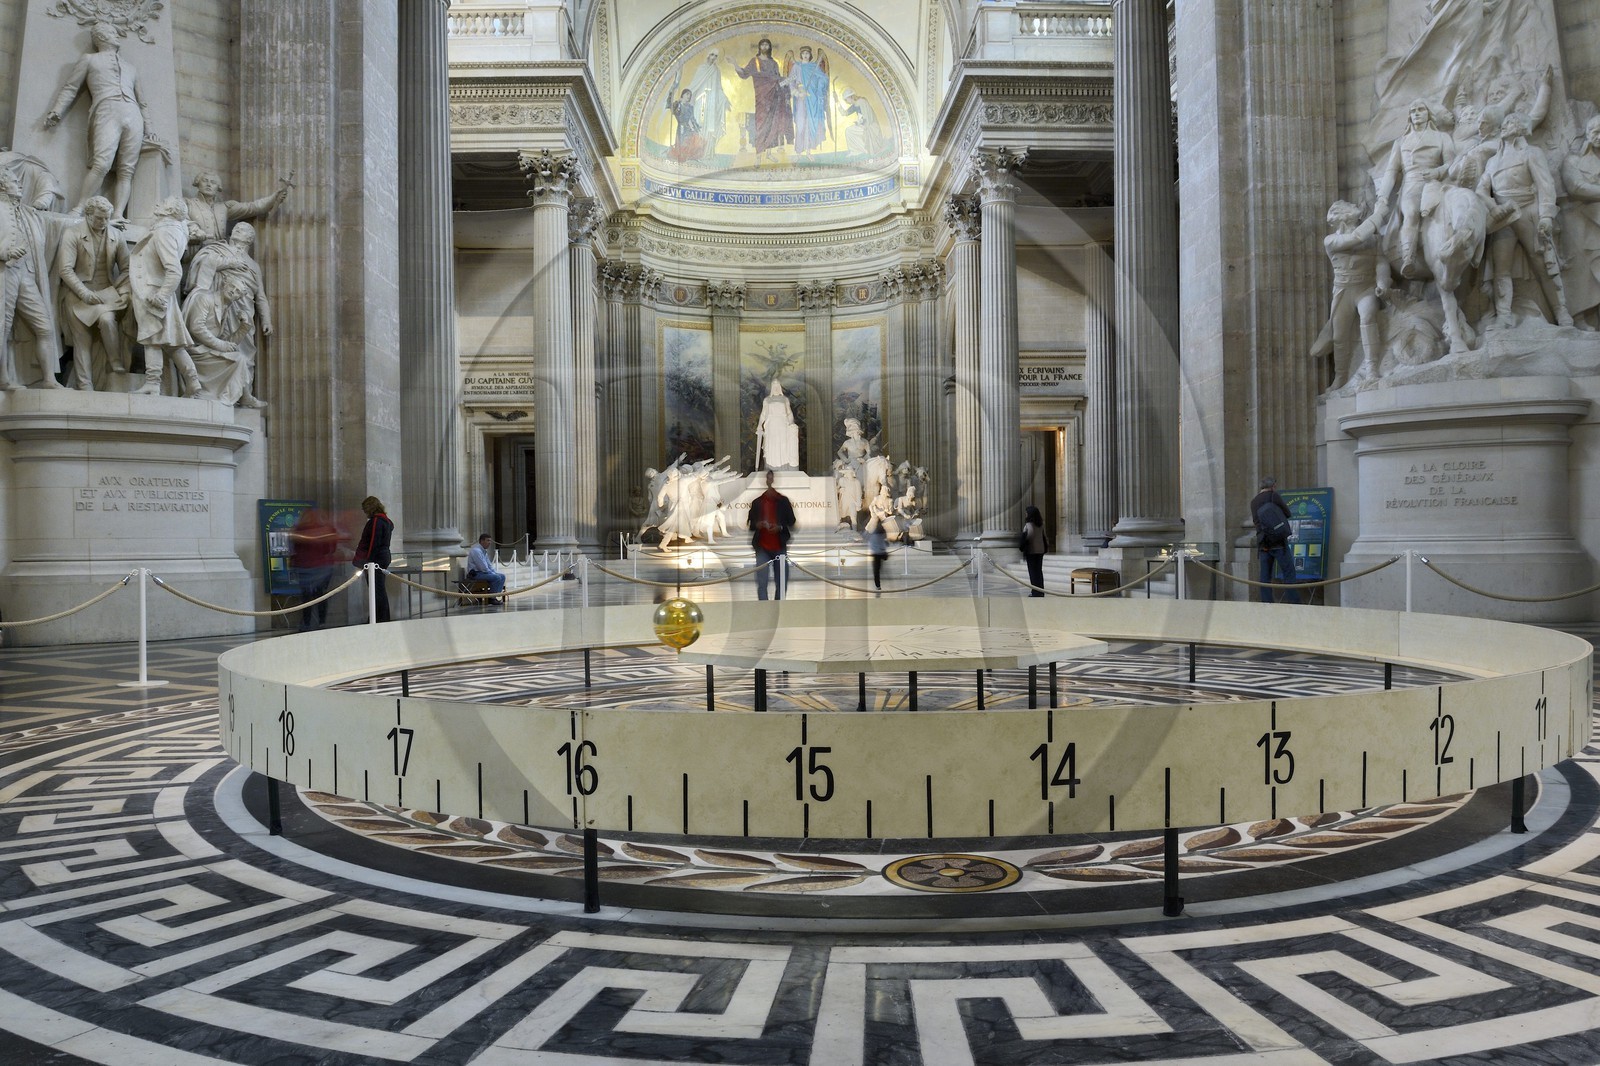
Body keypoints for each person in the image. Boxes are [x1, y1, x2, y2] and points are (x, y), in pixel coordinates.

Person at [43, 22, 163, 218]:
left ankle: (117, 215)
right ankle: (80, 207)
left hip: (133, 114)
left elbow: (143, 103)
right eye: (113, 33)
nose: (117, 36)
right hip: (107, 108)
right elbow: (71, 87)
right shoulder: (90, 60)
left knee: (127, 170)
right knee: (101, 163)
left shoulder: (130, 68)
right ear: (101, 37)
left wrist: (149, 128)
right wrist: (57, 110)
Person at [1479, 111, 1572, 328]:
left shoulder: (1531, 153)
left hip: (1528, 212)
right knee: (1501, 268)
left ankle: (1561, 312)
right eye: (1504, 123)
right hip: (1504, 218)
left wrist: (1546, 215)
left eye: (1511, 122)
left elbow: (1545, 184)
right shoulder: (1492, 162)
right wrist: (1493, 206)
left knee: (1543, 265)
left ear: (1521, 128)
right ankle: (1503, 315)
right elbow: (1481, 189)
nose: (1505, 126)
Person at [0, 167, 72, 391]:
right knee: (3, 326)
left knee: (44, 327)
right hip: (6, 273)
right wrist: (5, 252)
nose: (20, 185)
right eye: (14, 181)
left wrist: (98, 223)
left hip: (27, 275)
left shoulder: (28, 213)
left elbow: (58, 222)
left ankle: (48, 379)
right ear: (2, 185)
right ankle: (3, 379)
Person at [128, 197, 205, 398]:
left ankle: (153, 382)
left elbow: (174, 270)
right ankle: (193, 381)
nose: (157, 205)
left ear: (169, 210)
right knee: (172, 343)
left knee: (152, 338)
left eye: (162, 204)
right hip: (157, 291)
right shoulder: (173, 229)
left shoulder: (165, 232)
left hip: (154, 292)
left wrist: (160, 296)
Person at [1370, 99, 1455, 278]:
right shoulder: (1401, 142)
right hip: (1411, 184)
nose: (1416, 113)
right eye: (1413, 110)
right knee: (1411, 213)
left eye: (1420, 110)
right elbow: (1392, 171)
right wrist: (1383, 197)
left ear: (1428, 114)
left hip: (1434, 182)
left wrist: (1437, 171)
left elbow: (1451, 163)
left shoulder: (1442, 137)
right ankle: (1408, 258)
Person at [55, 194, 129, 390]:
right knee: (82, 340)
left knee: (106, 320)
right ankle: (85, 385)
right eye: (98, 218)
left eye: (106, 218)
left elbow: (128, 268)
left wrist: (121, 290)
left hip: (106, 293)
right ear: (88, 215)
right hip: (78, 293)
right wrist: (84, 293)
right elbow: (65, 269)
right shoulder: (73, 233)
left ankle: (115, 360)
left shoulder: (116, 235)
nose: (103, 222)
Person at [1311, 201, 1387, 389]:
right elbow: (1356, 237)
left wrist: (1382, 283)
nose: (1354, 208)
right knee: (1339, 335)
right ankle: (1341, 376)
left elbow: (1381, 262)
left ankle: (1371, 368)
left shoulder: (1374, 240)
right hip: (1343, 291)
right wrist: (1379, 214)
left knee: (1368, 316)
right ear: (1342, 217)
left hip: (1366, 288)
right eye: (1348, 206)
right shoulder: (1330, 240)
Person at [731, 38, 793, 158]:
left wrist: (791, 80)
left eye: (767, 45)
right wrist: (734, 63)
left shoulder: (774, 63)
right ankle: (759, 154)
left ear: (769, 48)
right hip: (761, 97)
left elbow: (778, 79)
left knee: (772, 123)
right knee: (761, 124)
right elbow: (744, 73)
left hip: (774, 96)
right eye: (762, 45)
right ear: (759, 47)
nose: (764, 47)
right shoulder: (755, 61)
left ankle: (769, 153)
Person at [1250, 477, 1301, 605]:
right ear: (1273, 486)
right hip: (1278, 542)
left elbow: (1256, 521)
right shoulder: (1274, 496)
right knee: (1289, 572)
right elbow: (1287, 513)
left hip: (1263, 543)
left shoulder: (1254, 501)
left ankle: (1267, 604)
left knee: (1265, 576)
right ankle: (1294, 603)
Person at [748, 469, 796, 600]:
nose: (769, 480)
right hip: (762, 546)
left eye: (771, 478)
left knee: (781, 582)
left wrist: (779, 527)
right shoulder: (757, 502)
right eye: (767, 478)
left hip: (779, 546)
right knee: (762, 583)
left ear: (773, 479)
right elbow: (751, 526)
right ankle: (764, 609)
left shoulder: (783, 501)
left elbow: (791, 521)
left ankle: (778, 607)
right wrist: (758, 525)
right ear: (765, 480)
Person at [288, 507, 339, 631]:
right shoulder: (326, 529)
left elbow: (294, 548)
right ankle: (321, 622)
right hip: (321, 567)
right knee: (320, 594)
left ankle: (306, 622)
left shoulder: (299, 530)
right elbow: (330, 549)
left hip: (304, 567)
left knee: (306, 596)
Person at [352, 495, 394, 622]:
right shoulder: (386, 521)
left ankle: (379, 618)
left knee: (376, 591)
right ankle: (380, 617)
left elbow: (373, 543)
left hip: (376, 559)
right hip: (382, 557)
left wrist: (367, 561)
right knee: (378, 589)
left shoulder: (376, 522)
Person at [755, 380, 800, 469]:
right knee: (771, 445)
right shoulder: (767, 400)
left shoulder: (785, 399)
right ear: (772, 388)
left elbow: (789, 413)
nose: (775, 388)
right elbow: (763, 414)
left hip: (783, 425)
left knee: (783, 445)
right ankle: (770, 467)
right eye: (774, 386)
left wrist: (791, 423)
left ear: (779, 387)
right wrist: (759, 425)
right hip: (771, 425)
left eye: (777, 386)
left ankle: (784, 466)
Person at [865, 483, 894, 590]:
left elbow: (890, 511)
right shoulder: (876, 498)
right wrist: (874, 511)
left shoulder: (890, 501)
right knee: (881, 569)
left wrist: (885, 511)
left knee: (877, 569)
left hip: (883, 518)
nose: (884, 493)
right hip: (880, 551)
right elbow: (871, 506)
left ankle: (878, 584)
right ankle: (882, 583)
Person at [465, 533, 506, 598]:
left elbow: (489, 565)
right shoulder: (476, 551)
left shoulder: (483, 551)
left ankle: (495, 595)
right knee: (496, 577)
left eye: (490, 541)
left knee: (502, 576)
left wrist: (494, 572)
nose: (489, 543)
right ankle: (492, 597)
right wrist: (493, 574)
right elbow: (483, 567)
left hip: (483, 573)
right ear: (482, 541)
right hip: (476, 574)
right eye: (488, 540)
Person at [1020, 505, 1048, 597]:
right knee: (1039, 571)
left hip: (1032, 551)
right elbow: (1044, 536)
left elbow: (1030, 535)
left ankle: (1035, 592)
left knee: (1032, 572)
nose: (1025, 514)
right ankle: (1040, 591)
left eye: (1026, 513)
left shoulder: (1028, 525)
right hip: (1040, 550)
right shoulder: (1040, 524)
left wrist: (1025, 541)